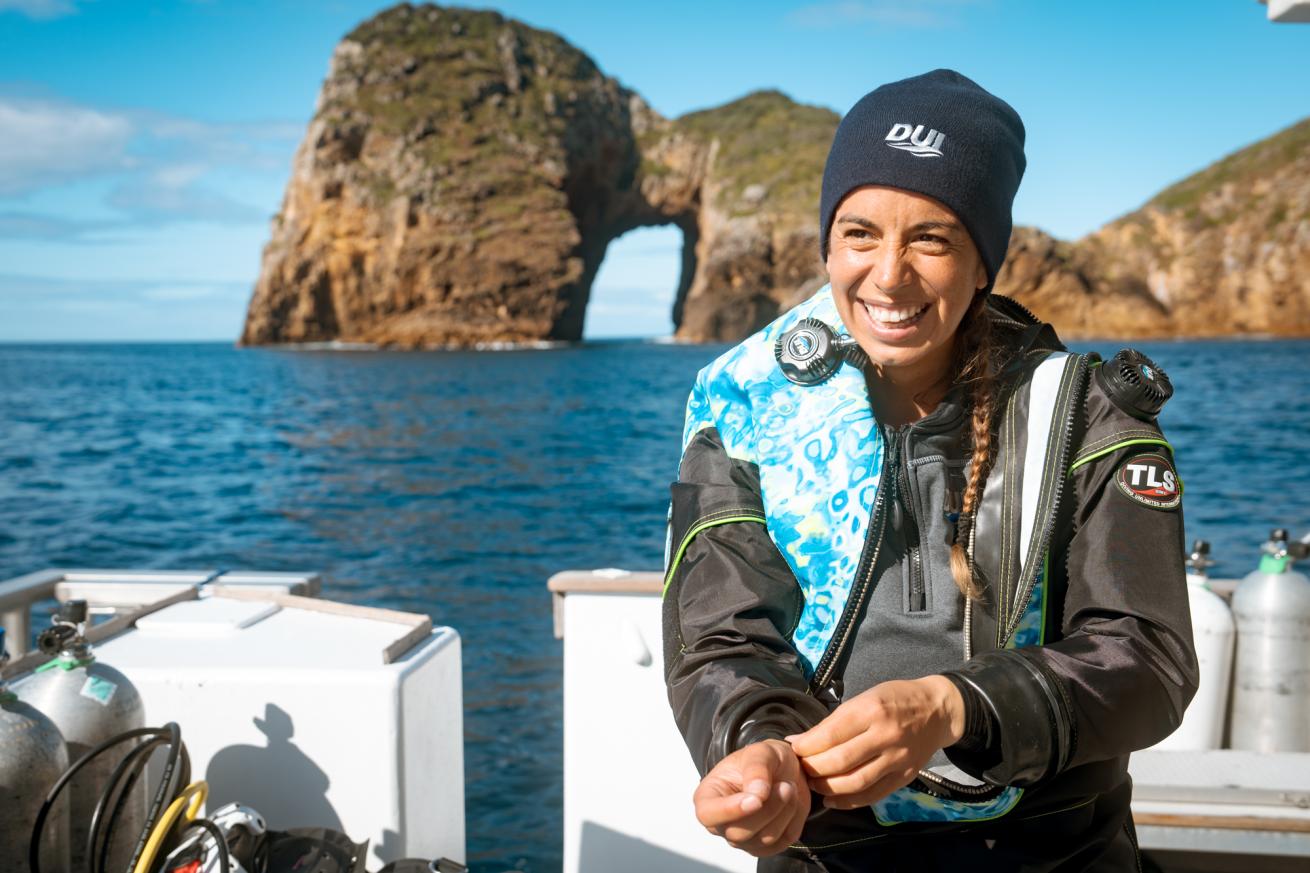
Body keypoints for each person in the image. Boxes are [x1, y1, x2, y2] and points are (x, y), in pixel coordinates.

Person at [661, 69, 1197, 872]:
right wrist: (753, 744)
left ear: (983, 262)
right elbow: (720, 636)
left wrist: (953, 706)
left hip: (1055, 854)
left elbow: (1148, 657)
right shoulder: (741, 408)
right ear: (827, 245)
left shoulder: (1086, 414)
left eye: (932, 239)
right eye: (860, 233)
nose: (888, 275)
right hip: (823, 856)